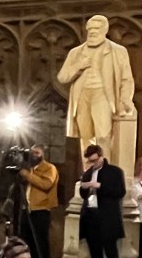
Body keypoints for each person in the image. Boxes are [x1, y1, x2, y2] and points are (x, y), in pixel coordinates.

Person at [57, 14, 135, 156]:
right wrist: (78, 66)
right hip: (82, 95)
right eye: (90, 28)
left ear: (105, 30)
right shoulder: (76, 52)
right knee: (86, 138)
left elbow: (126, 79)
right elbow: (62, 77)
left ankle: (104, 173)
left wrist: (125, 98)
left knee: (103, 135)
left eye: (97, 28)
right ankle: (89, 174)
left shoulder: (117, 51)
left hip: (103, 94)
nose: (93, 32)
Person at [78, 144, 125, 258]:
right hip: (91, 216)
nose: (93, 164)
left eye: (94, 161)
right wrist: (84, 187)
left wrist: (99, 185)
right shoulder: (88, 172)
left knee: (111, 253)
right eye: (90, 162)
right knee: (95, 251)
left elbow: (120, 192)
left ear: (101, 156)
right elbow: (84, 195)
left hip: (107, 218)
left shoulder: (115, 172)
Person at [18, 144, 58, 258]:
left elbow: (46, 184)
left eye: (37, 152)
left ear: (43, 154)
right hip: (27, 208)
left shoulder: (49, 168)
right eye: (32, 152)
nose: (34, 155)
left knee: (40, 239)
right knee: (26, 238)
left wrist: (27, 175)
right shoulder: (30, 169)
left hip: (41, 208)